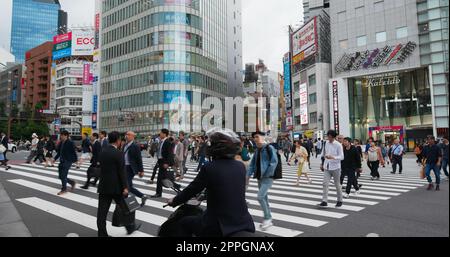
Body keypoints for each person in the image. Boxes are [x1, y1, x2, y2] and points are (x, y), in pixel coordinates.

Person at [167, 128, 255, 237]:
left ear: (214, 148)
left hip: (219, 224)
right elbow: (227, 187)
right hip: (243, 221)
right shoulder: (240, 166)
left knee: (184, 222)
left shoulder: (210, 168)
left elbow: (192, 189)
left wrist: (175, 201)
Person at [97, 131, 141, 237]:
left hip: (104, 186)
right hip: (117, 187)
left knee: (102, 213)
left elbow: (100, 167)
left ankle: (102, 234)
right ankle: (130, 227)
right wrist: (125, 187)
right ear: (118, 141)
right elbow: (122, 172)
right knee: (126, 207)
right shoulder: (118, 153)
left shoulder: (102, 151)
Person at [247, 131, 278, 231]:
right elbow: (252, 164)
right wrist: (247, 176)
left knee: (260, 197)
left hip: (267, 177)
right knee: (264, 197)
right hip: (259, 177)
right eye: (254, 137)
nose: (255, 139)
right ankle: (268, 217)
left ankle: (268, 218)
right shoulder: (257, 150)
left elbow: (274, 162)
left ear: (262, 137)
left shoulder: (269, 148)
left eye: (257, 137)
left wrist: (267, 174)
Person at [318, 130, 344, 208]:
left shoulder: (338, 145)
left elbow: (342, 157)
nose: (328, 138)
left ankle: (340, 200)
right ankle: (324, 201)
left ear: (333, 137)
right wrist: (321, 163)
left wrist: (333, 157)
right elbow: (323, 154)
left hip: (336, 167)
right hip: (327, 166)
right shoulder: (326, 143)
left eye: (330, 137)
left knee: (337, 184)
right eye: (328, 136)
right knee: (325, 183)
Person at [123, 131, 148, 206]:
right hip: (124, 166)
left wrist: (141, 170)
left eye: (128, 135)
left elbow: (139, 158)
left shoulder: (135, 146)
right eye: (126, 134)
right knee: (128, 186)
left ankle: (124, 202)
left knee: (126, 185)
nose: (126, 136)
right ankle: (142, 196)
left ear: (133, 136)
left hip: (131, 168)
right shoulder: (125, 145)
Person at [152, 129, 179, 198]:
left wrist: (167, 163)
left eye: (160, 133)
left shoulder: (167, 142)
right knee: (165, 178)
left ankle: (158, 193)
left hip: (164, 162)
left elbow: (170, 153)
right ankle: (177, 186)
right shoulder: (161, 141)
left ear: (164, 134)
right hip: (161, 161)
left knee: (160, 178)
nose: (159, 134)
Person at [53, 131, 78, 195]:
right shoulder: (61, 142)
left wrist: (76, 161)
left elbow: (74, 152)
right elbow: (59, 152)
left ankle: (64, 189)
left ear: (66, 136)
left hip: (68, 161)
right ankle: (72, 182)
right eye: (61, 135)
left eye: (62, 135)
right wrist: (54, 159)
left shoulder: (70, 142)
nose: (61, 136)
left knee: (63, 175)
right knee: (61, 176)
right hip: (62, 160)